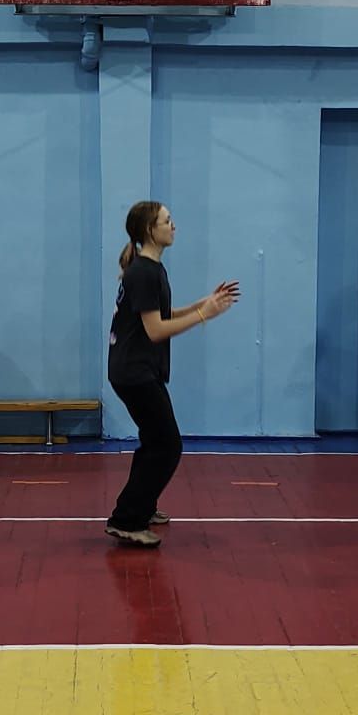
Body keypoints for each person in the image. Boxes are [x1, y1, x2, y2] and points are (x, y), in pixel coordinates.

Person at [105, 201, 239, 547]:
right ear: (150, 230)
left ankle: (141, 506)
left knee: (155, 442)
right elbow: (155, 330)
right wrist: (205, 315)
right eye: (167, 221)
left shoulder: (151, 269)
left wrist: (203, 303)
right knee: (168, 445)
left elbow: (161, 314)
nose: (173, 226)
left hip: (136, 369)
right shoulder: (143, 272)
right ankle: (126, 520)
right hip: (134, 372)